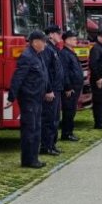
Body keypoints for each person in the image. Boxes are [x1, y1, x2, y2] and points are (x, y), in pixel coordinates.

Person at [8, 29, 51, 169]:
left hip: (37, 97)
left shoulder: (38, 55)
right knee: (30, 129)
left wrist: (48, 90)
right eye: (43, 41)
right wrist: (11, 97)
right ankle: (28, 160)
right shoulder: (27, 56)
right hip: (29, 98)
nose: (45, 44)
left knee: (36, 128)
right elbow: (18, 77)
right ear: (35, 42)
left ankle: (34, 158)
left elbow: (44, 75)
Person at [40, 25, 65, 156]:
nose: (60, 35)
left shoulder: (54, 49)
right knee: (49, 119)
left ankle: (52, 144)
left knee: (55, 119)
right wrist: (48, 89)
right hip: (51, 89)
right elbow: (45, 72)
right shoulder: (47, 49)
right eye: (58, 33)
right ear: (50, 34)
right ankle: (46, 146)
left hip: (57, 88)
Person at [59, 29, 85, 142]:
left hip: (75, 86)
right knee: (68, 111)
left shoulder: (71, 52)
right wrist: (68, 87)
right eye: (74, 39)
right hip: (70, 88)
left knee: (72, 110)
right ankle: (66, 133)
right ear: (67, 40)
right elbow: (64, 72)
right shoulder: (64, 53)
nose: (76, 41)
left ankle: (69, 132)